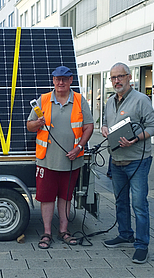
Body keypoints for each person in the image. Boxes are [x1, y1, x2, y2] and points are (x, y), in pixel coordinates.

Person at [27, 66, 94, 249]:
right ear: (53, 80)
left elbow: (89, 126)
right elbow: (29, 126)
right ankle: (47, 233)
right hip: (47, 160)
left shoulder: (80, 101)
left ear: (71, 80)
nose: (60, 82)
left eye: (64, 79)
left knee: (66, 197)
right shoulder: (43, 100)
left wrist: (79, 148)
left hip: (72, 160)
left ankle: (64, 230)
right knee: (47, 198)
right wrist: (37, 123)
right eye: (57, 79)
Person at [101, 62, 154, 264]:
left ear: (129, 77)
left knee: (139, 204)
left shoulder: (141, 100)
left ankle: (141, 245)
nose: (116, 81)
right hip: (116, 160)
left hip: (137, 160)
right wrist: (105, 128)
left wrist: (136, 138)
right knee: (120, 201)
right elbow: (107, 122)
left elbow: (152, 126)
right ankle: (125, 234)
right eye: (113, 78)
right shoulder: (109, 101)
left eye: (120, 76)